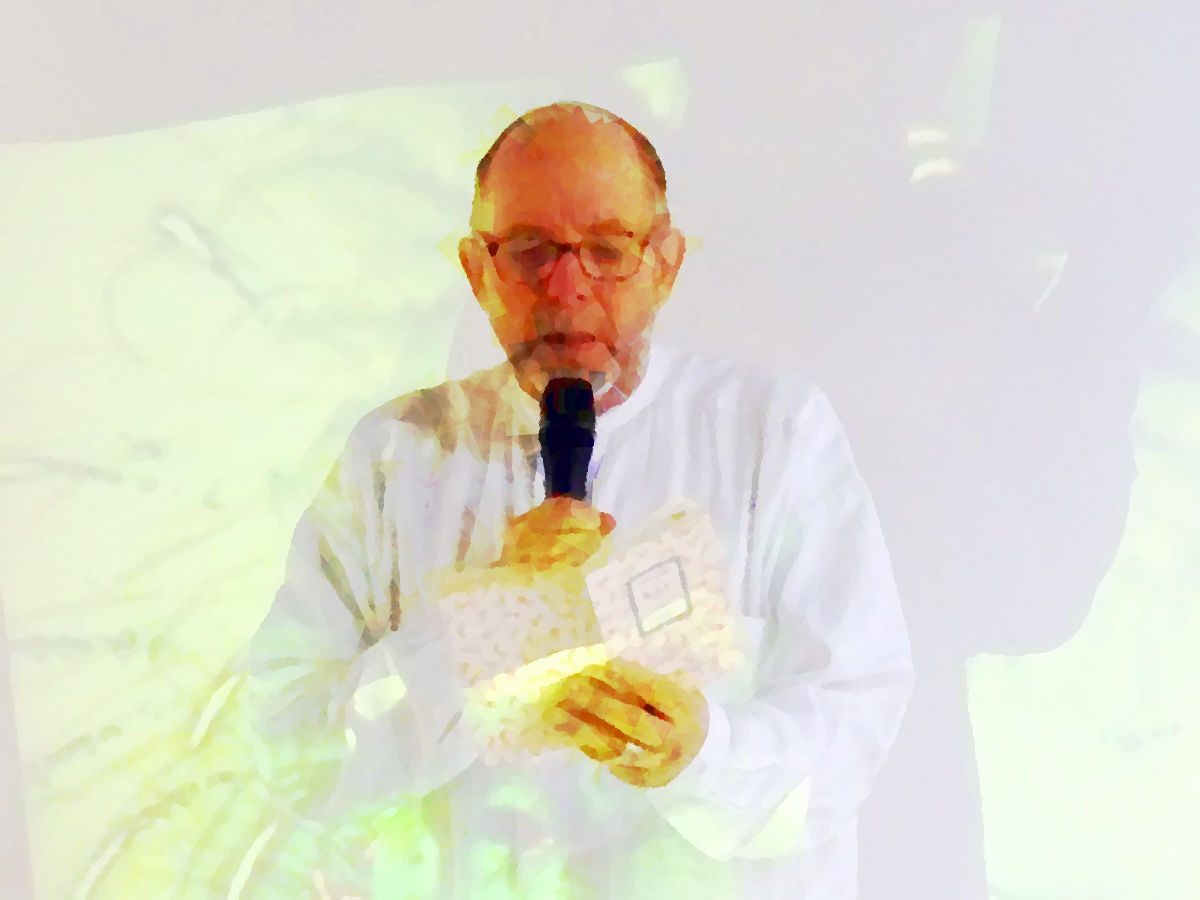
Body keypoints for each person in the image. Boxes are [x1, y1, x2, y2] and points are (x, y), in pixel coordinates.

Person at [239, 101, 914, 899]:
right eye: (529, 251)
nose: (567, 287)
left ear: (665, 263)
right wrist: (482, 632)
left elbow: (853, 726)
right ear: (477, 271)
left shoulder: (773, 434)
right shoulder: (395, 455)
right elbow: (293, 757)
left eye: (606, 250)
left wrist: (705, 755)